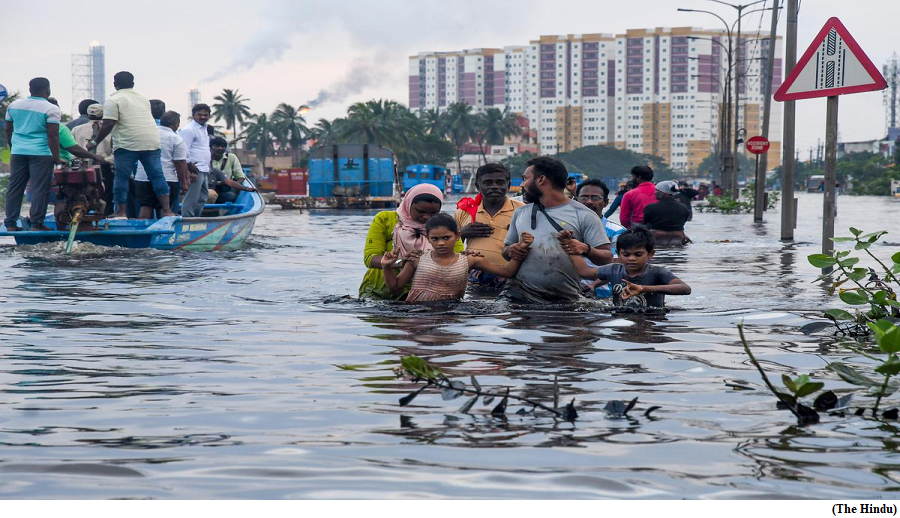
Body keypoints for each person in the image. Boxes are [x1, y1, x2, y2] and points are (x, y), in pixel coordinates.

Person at [501, 156, 612, 304]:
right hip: (517, 296)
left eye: (525, 179)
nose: (522, 184)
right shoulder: (521, 213)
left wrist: (585, 249)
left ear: (541, 180)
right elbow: (506, 251)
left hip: (563, 300)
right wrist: (512, 250)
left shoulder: (584, 214)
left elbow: (607, 258)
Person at [381, 213, 534, 303]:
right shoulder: (417, 259)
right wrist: (386, 266)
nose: (441, 243)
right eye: (435, 239)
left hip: (452, 312)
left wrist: (521, 248)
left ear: (458, 236)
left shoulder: (469, 260)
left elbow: (508, 272)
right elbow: (395, 287)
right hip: (417, 314)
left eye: (446, 238)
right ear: (427, 238)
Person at [87, 71, 174, 218]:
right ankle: (167, 211)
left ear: (115, 85)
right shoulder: (143, 99)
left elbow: (108, 124)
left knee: (122, 177)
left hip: (127, 144)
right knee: (157, 176)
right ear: (133, 84)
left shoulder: (113, 100)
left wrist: (94, 142)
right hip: (151, 141)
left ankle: (121, 212)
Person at [359, 184, 463, 300]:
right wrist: (398, 262)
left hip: (425, 295)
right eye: (420, 211)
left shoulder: (445, 225)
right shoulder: (385, 219)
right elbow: (370, 257)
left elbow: (459, 259)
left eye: (433, 213)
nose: (426, 217)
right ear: (408, 204)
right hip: (379, 291)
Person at [566, 226, 691, 310]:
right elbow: (584, 271)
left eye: (638, 254)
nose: (631, 259)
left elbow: (685, 288)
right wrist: (570, 247)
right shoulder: (613, 270)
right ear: (619, 254)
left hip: (653, 318)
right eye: (626, 254)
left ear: (650, 254)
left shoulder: (657, 272)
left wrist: (644, 289)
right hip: (619, 317)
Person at [4, 77, 64, 231]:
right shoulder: (51, 109)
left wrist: (13, 147)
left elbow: (8, 130)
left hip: (18, 152)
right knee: (40, 188)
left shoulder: (14, 106)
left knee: (15, 187)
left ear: (30, 89)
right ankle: (36, 224)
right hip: (41, 153)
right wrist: (56, 157)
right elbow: (53, 136)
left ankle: (10, 224)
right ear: (47, 90)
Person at [454, 162, 524, 289]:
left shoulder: (522, 211)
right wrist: (462, 234)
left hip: (512, 279)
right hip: (473, 280)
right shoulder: (464, 212)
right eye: (488, 183)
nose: (494, 187)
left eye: (500, 182)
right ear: (477, 186)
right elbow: (448, 248)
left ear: (508, 185)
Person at [574, 178, 628, 298]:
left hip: (605, 295)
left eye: (595, 198)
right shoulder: (566, 229)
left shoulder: (617, 231)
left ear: (605, 203)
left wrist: (593, 285)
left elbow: (617, 267)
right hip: (570, 293)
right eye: (583, 197)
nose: (589, 202)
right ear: (576, 201)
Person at [134, 111, 190, 219]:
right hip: (167, 177)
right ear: (175, 123)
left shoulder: (147, 135)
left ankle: (143, 233)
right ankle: (164, 234)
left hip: (142, 177)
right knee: (165, 208)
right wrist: (184, 182)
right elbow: (180, 162)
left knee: (145, 206)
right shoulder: (175, 138)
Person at [71, 103, 115, 214]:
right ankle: (105, 216)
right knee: (106, 195)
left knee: (80, 195)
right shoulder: (112, 130)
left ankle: (80, 215)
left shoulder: (76, 130)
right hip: (103, 167)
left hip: (80, 168)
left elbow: (71, 151)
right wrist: (105, 160)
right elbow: (116, 153)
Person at [46, 98, 107, 166]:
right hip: (61, 164)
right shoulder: (61, 128)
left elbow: (73, 153)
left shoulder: (72, 127)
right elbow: (73, 149)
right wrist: (95, 156)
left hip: (78, 165)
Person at [179, 103, 213, 217]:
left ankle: (196, 218)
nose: (203, 117)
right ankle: (187, 220)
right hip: (194, 169)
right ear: (193, 115)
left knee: (203, 196)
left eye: (205, 115)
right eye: (200, 115)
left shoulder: (204, 128)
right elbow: (183, 150)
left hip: (204, 168)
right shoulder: (189, 129)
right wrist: (188, 169)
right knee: (191, 198)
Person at [642, 180, 691, 246]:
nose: (655, 192)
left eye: (657, 190)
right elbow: (682, 224)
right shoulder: (684, 208)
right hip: (677, 239)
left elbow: (645, 222)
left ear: (663, 192)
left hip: (657, 239)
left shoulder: (651, 207)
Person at [209, 136, 247, 203]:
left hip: (225, 189)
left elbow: (240, 176)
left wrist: (235, 188)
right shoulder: (206, 158)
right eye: (216, 146)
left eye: (222, 146)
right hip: (208, 188)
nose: (220, 148)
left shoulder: (231, 157)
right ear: (210, 147)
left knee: (230, 196)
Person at [619, 165, 657, 229]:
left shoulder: (629, 194)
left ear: (639, 177)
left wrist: (629, 228)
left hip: (637, 229)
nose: (632, 179)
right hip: (659, 228)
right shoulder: (661, 192)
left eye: (633, 176)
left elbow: (624, 219)